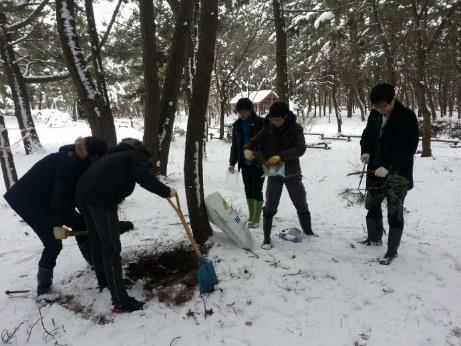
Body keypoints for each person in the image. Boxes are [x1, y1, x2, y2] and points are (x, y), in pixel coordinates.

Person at [76, 138, 177, 312]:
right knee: (111, 248)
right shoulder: (134, 155)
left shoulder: (115, 156)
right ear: (142, 152)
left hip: (83, 195)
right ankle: (120, 301)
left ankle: (105, 283)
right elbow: (144, 178)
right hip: (100, 198)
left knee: (98, 242)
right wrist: (166, 191)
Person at [3, 136, 108, 295]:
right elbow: (58, 196)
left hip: (45, 199)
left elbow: (73, 195)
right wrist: (56, 225)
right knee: (53, 244)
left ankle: (94, 263)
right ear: (94, 155)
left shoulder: (79, 160)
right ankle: (44, 290)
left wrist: (90, 218)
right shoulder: (71, 162)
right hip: (28, 201)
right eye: (101, 158)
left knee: (80, 224)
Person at [360, 83, 419, 264]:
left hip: (398, 173)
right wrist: (366, 151)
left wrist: (389, 166)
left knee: (394, 211)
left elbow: (409, 147)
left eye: (384, 106)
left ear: (393, 99)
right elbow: (368, 135)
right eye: (376, 106)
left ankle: (392, 250)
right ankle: (374, 238)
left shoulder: (407, 117)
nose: (380, 110)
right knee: (372, 204)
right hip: (375, 170)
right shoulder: (375, 115)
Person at [243, 101, 315, 249]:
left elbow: (300, 149)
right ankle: (267, 239)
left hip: (292, 171)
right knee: (271, 204)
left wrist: (281, 156)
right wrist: (248, 149)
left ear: (286, 117)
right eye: (272, 119)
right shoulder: (267, 127)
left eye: (278, 120)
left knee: (300, 200)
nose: (275, 122)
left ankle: (309, 232)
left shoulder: (295, 129)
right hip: (274, 172)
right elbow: (255, 140)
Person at [229, 98, 265, 228]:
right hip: (243, 162)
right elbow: (235, 145)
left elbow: (265, 143)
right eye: (240, 112)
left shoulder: (261, 123)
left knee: (257, 188)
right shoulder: (237, 125)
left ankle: (256, 218)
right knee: (248, 189)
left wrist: (256, 154)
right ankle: (251, 215)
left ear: (251, 110)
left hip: (258, 162)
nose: (242, 114)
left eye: (244, 111)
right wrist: (232, 163)